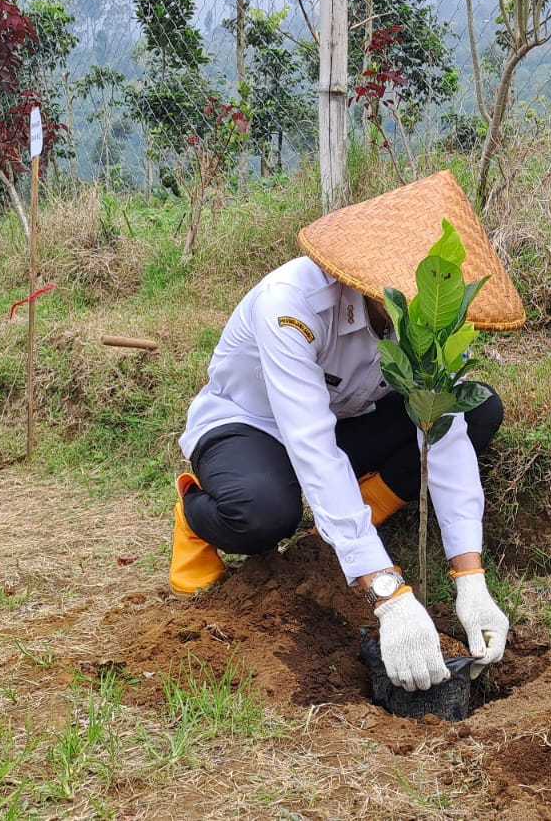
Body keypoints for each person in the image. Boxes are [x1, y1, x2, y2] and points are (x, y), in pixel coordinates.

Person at [172, 171, 526, 693]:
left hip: (349, 417)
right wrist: (387, 592)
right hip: (254, 427)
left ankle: (361, 508)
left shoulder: (431, 321)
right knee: (263, 514)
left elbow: (442, 434)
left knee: (474, 410)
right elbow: (311, 445)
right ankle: (194, 516)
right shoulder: (290, 305)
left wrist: (469, 577)